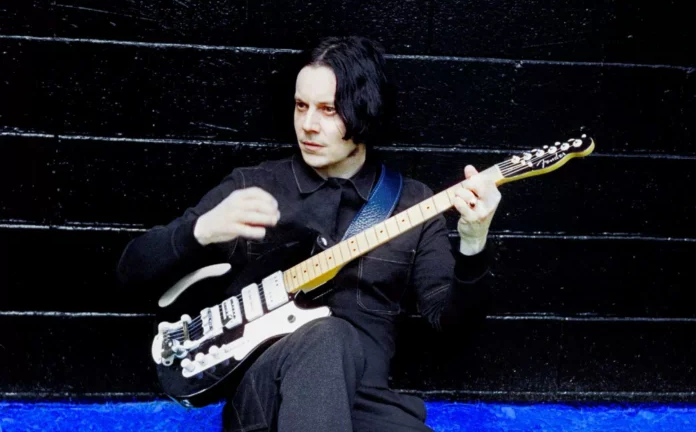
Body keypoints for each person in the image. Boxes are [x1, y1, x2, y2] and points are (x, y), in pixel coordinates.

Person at [117, 36, 501, 432]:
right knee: (327, 335)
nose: (308, 125)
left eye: (328, 110)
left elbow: (452, 326)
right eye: (301, 106)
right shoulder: (254, 185)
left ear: (365, 111)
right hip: (264, 402)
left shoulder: (415, 203)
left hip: (365, 405)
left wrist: (473, 244)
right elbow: (132, 272)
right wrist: (201, 230)